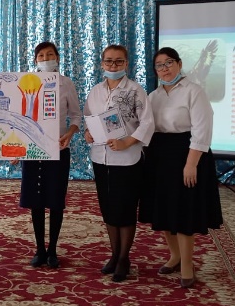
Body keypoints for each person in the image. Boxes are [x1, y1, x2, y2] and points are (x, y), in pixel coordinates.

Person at [139, 48, 223, 288]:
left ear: (179, 64)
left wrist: (191, 164)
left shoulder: (194, 91)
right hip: (159, 156)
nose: (164, 69)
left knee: (185, 211)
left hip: (187, 155)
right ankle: (174, 256)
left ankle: (187, 264)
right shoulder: (153, 96)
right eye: (159, 65)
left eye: (169, 63)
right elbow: (145, 126)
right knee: (164, 209)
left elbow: (202, 130)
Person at [84, 44, 154, 282]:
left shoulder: (135, 91)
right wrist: (88, 133)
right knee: (108, 209)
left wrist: (127, 142)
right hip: (101, 158)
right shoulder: (95, 91)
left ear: (126, 64)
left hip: (127, 159)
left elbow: (147, 123)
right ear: (101, 63)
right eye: (109, 61)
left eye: (118, 61)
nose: (113, 66)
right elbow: (89, 119)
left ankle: (124, 258)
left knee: (124, 210)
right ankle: (114, 255)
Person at [18, 41, 82, 268]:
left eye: (50, 55)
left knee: (55, 201)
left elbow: (76, 116)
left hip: (58, 149)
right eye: (41, 56)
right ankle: (39, 249)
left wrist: (69, 134)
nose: (46, 59)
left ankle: (53, 249)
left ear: (58, 58)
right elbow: (17, 116)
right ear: (35, 61)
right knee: (36, 201)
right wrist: (15, 146)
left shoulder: (66, 84)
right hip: (33, 150)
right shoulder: (25, 82)